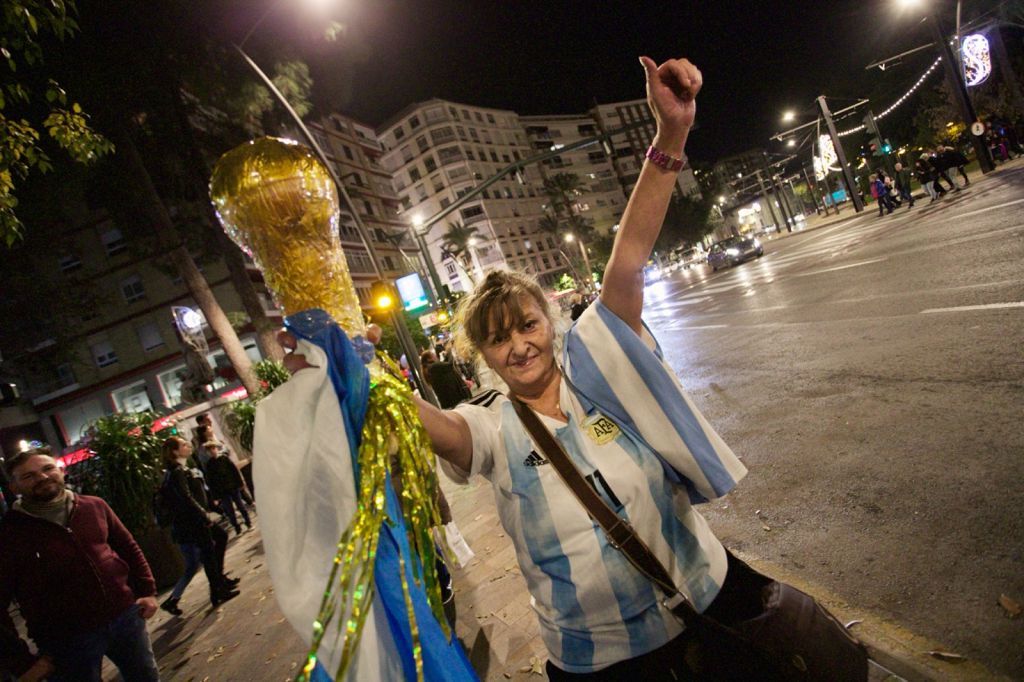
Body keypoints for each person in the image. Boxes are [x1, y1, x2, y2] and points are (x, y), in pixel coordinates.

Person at [278, 54, 796, 680]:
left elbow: (627, 262)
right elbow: (429, 424)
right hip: (600, 660)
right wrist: (345, 368)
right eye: (498, 340)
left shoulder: (597, 363)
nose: (519, 346)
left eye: (527, 325)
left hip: (710, 602)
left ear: (549, 321)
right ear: (482, 355)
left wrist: (671, 135)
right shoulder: (492, 425)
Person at [0, 448, 161, 681]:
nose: (43, 477)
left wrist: (147, 591)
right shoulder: (9, 534)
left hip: (125, 618)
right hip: (66, 642)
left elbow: (128, 547)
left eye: (48, 468)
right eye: (29, 476)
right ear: (14, 487)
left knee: (145, 676)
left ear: (61, 470)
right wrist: (22, 662)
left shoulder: (94, 506)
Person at [158, 437, 239, 617]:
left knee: (218, 540)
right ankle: (217, 589)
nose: (188, 447)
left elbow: (196, 493)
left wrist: (211, 508)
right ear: (175, 451)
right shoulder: (176, 471)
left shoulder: (180, 469)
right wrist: (203, 515)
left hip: (194, 519)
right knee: (209, 552)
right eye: (184, 445)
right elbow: (186, 497)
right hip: (193, 522)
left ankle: (219, 582)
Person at [204, 441, 253, 535]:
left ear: (216, 449)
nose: (212, 452)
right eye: (209, 451)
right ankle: (237, 527)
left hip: (233, 486)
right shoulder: (209, 465)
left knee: (241, 506)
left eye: (213, 449)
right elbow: (210, 481)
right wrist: (215, 496)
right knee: (230, 511)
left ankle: (248, 523)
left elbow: (234, 470)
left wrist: (240, 483)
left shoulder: (224, 458)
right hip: (222, 491)